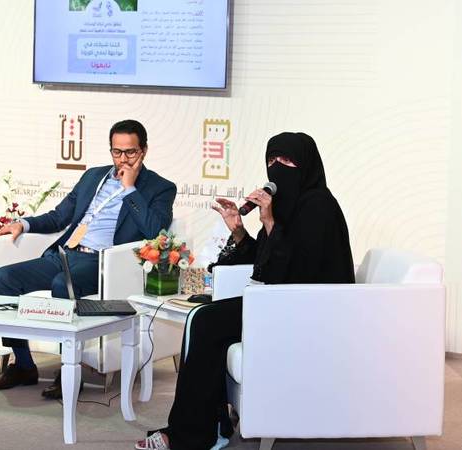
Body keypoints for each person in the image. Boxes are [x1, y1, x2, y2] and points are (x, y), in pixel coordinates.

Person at [135, 132, 355, 450]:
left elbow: (300, 272)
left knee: (205, 321)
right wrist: (239, 230)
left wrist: (270, 223)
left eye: (287, 161)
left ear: (306, 165)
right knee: (201, 318)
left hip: (312, 312)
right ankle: (208, 427)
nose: (277, 168)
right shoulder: (287, 205)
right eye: (272, 160)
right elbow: (266, 263)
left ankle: (191, 436)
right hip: (279, 304)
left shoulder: (319, 206)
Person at [0, 119, 176, 399]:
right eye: (117, 152)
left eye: (130, 152)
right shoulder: (93, 176)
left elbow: (155, 230)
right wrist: (23, 224)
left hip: (102, 263)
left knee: (63, 284)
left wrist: (129, 189)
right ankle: (23, 365)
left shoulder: (160, 187)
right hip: (66, 254)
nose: (123, 159)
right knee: (3, 278)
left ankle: (68, 372)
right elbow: (60, 216)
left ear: (143, 151)